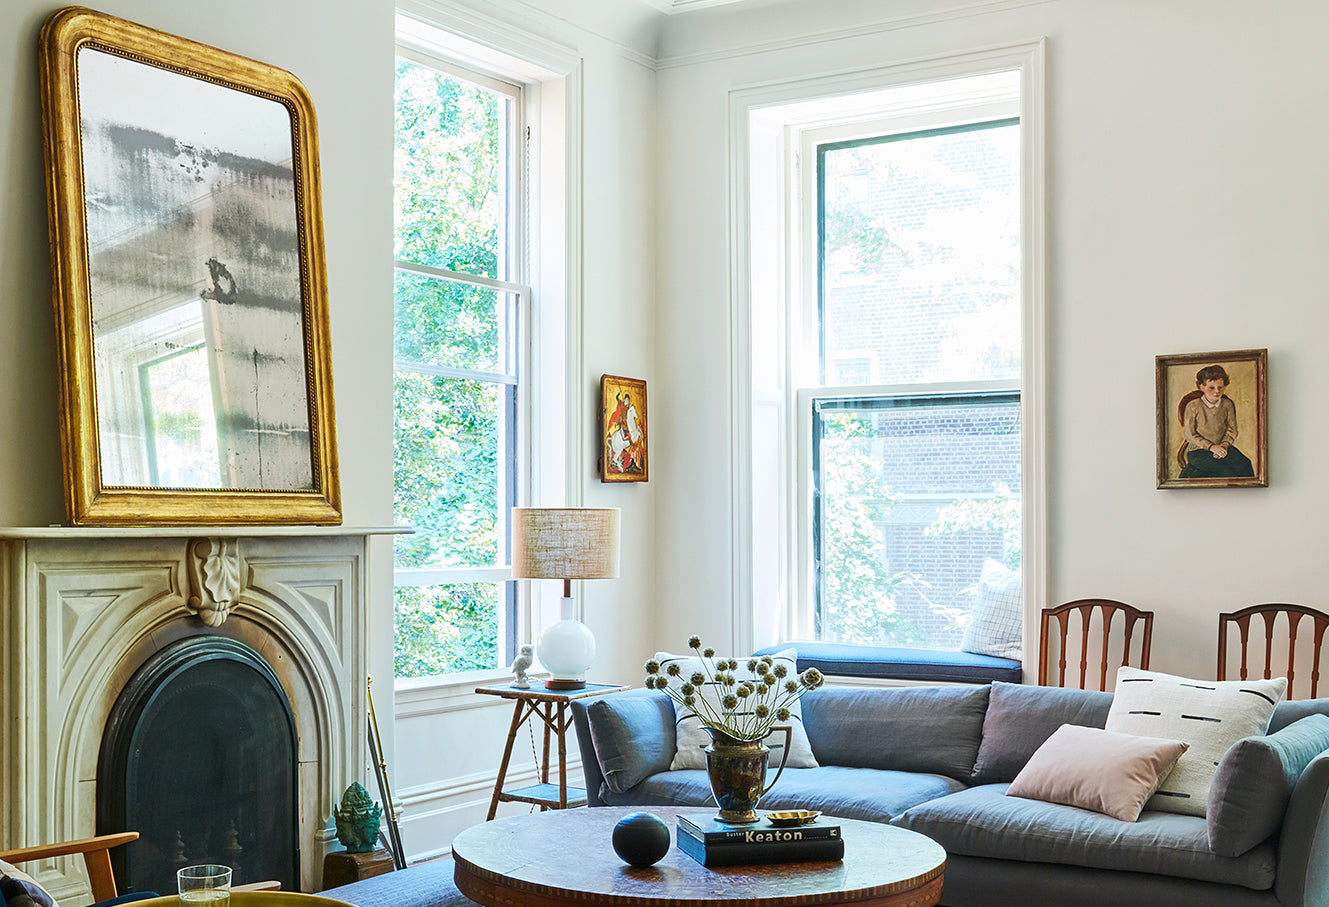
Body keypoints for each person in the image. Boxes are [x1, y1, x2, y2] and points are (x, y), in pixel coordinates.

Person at [1178, 364, 1254, 479]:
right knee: (1224, 471)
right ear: (1202, 387)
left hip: (1223, 448)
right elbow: (1189, 434)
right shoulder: (1193, 406)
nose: (1217, 391)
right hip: (1199, 451)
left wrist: (1224, 445)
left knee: (1245, 464)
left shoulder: (1227, 404)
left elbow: (1232, 430)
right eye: (1211, 388)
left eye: (1220, 387)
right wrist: (1211, 447)